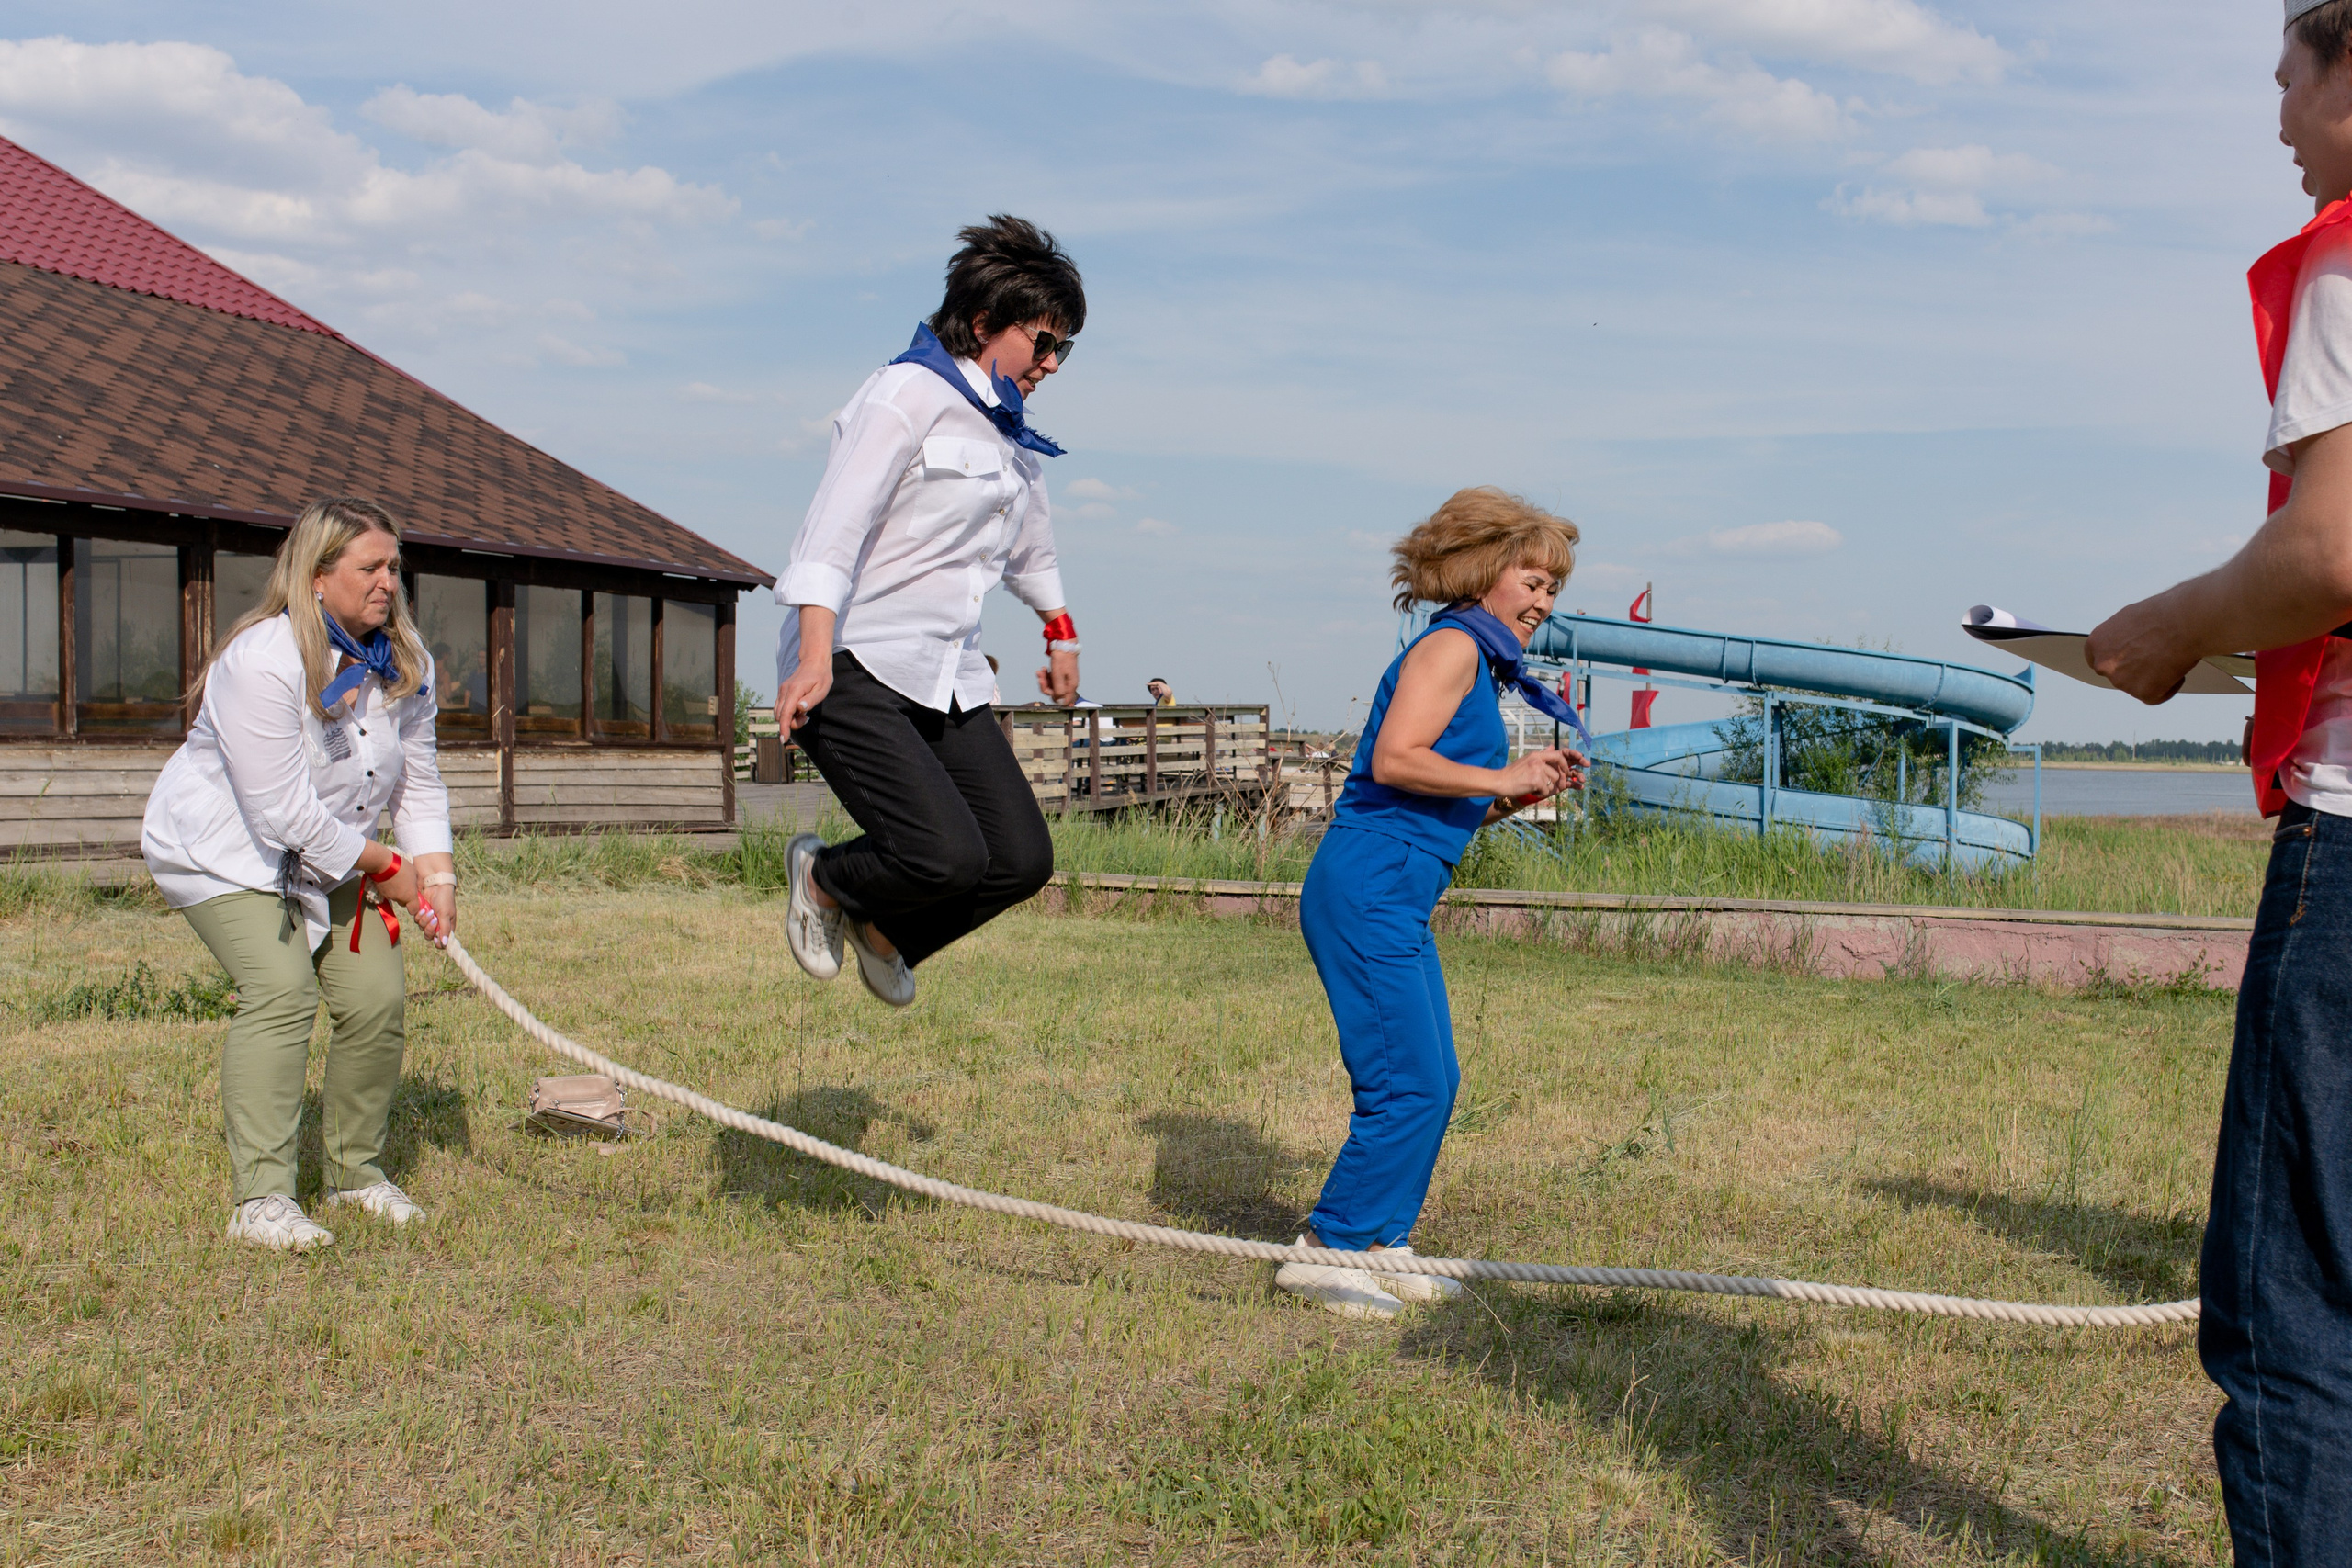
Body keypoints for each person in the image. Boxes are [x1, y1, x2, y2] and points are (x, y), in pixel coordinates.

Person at [2086, 6, 2352, 1557]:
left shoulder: (2342, 254)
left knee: (2297, 1297)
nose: (2275, 120)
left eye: (2288, 81)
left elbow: (2326, 553)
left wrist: (2174, 628)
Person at [1276, 488, 1585, 1318]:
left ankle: (1383, 1239)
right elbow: (1394, 760)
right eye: (1532, 580)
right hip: (1370, 881)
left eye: (1554, 589)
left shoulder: (1478, 663)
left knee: (1436, 1077)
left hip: (1400, 887)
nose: (1544, 602)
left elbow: (1436, 793)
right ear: (1486, 572)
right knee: (1405, 1080)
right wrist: (1502, 772)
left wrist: (1509, 797)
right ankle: (1328, 1246)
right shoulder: (1449, 647)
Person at [774, 216, 1081, 1006]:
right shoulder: (905, 393)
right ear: (983, 323)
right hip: (855, 658)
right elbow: (831, 530)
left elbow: (1032, 556)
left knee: (1018, 858)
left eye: (1063, 350)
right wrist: (813, 657)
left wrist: (1061, 636)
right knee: (943, 854)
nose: (1051, 364)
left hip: (946, 673)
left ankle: (887, 932)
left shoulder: (1013, 435)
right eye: (1042, 342)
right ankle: (825, 876)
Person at [141, 497, 457, 1253]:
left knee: (377, 994)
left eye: (393, 567)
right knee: (281, 989)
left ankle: (355, 1173)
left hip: (332, 847)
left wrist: (437, 872)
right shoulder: (262, 661)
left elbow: (418, 775)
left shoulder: (404, 656)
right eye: (370, 568)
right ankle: (263, 1200)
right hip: (227, 851)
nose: (388, 582)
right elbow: (280, 811)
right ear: (317, 577)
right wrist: (385, 864)